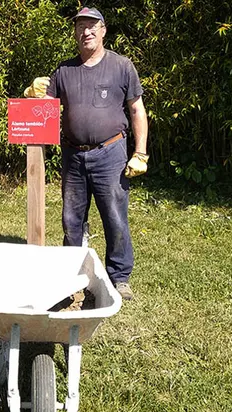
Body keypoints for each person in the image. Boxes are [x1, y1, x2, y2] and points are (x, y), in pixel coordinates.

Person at [23, 7, 149, 300]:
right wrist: (32, 92)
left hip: (111, 153)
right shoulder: (63, 70)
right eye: (80, 27)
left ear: (103, 30)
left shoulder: (122, 66)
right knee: (72, 219)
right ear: (75, 33)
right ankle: (73, 276)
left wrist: (140, 152)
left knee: (115, 216)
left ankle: (119, 277)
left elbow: (136, 110)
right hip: (73, 156)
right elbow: (43, 105)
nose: (86, 32)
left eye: (92, 26)